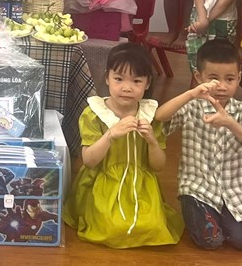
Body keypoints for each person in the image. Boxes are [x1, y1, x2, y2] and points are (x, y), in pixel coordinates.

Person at [64, 44, 183, 248]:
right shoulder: (94, 114)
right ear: (107, 78)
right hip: (102, 183)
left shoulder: (151, 116)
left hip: (140, 186)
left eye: (136, 81)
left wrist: (152, 141)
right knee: (112, 227)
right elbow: (89, 160)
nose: (127, 88)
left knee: (151, 227)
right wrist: (110, 135)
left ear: (147, 83)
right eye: (118, 79)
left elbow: (158, 165)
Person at [154, 40, 242, 250]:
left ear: (239, 78)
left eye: (230, 79)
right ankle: (199, 212)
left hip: (232, 192)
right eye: (214, 79)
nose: (222, 86)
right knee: (211, 241)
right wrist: (190, 93)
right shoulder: (192, 106)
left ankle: (215, 218)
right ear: (199, 77)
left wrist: (230, 123)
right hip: (198, 188)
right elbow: (160, 116)